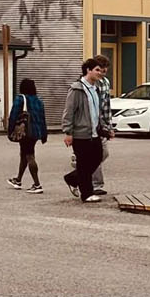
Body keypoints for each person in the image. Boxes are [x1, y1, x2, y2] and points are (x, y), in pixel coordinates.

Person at [62, 58, 108, 203]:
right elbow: (69, 111)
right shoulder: (77, 89)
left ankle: (73, 178)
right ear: (88, 70)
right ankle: (87, 193)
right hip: (80, 133)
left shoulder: (95, 89)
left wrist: (104, 127)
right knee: (83, 162)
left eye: (101, 70)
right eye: (97, 70)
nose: (100, 73)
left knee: (98, 157)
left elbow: (97, 111)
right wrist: (68, 132)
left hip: (94, 132)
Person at [6, 77, 48, 192]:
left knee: (29, 156)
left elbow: (13, 115)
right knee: (24, 154)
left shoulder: (20, 99)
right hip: (36, 132)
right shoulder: (39, 100)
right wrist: (44, 134)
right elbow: (43, 118)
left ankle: (37, 184)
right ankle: (18, 179)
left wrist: (10, 130)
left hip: (25, 131)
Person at [91, 54, 114, 196]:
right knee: (97, 153)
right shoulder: (90, 82)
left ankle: (80, 172)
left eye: (105, 68)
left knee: (104, 153)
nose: (104, 70)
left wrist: (109, 126)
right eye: (101, 67)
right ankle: (95, 184)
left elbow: (107, 106)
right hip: (92, 123)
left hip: (102, 123)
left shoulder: (105, 82)